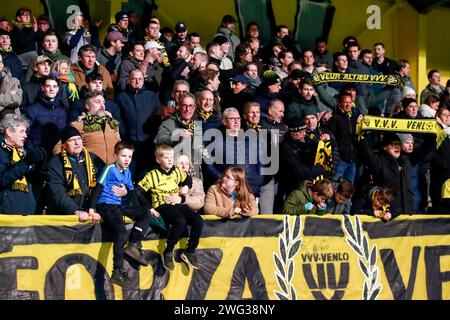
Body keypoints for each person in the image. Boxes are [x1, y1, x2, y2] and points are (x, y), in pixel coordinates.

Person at [89, 141, 161, 288]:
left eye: (129, 156)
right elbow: (98, 188)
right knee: (121, 231)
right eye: (123, 156)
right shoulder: (109, 168)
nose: (127, 159)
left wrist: (147, 207)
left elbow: (133, 193)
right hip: (106, 205)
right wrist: (91, 208)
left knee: (145, 214)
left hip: (119, 205)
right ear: (116, 156)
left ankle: (133, 244)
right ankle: (117, 270)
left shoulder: (127, 172)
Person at [137, 145, 203, 270]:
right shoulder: (152, 175)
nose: (170, 160)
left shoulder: (177, 171)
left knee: (198, 220)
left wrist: (186, 187)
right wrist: (148, 207)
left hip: (176, 204)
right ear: (158, 160)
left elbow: (188, 179)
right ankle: (168, 251)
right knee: (180, 220)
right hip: (162, 205)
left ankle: (190, 250)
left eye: (171, 157)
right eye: (166, 157)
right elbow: (138, 191)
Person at [46, 126, 107, 220]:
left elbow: (106, 181)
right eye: (71, 140)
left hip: (92, 213)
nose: (77, 143)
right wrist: (75, 210)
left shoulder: (94, 159)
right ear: (64, 145)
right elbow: (57, 192)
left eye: (79, 138)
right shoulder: (55, 163)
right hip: (67, 216)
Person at [0, 114, 46, 214]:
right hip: (6, 213)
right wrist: (26, 162)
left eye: (25, 132)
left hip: (27, 210)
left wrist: (42, 164)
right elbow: (2, 179)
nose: (25, 135)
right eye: (22, 131)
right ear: (9, 132)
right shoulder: (2, 152)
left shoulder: (24, 151)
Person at [69, 91, 121, 165]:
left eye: (103, 103)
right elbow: (59, 148)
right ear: (87, 106)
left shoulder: (112, 124)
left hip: (112, 170)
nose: (102, 105)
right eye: (97, 102)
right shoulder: (79, 125)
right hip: (91, 171)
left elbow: (119, 146)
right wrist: (76, 165)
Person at [10, 7, 38, 72]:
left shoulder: (30, 28)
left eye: (29, 15)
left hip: (33, 61)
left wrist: (37, 30)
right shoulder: (16, 29)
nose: (28, 17)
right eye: (25, 15)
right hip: (24, 63)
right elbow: (23, 41)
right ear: (18, 18)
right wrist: (34, 31)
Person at [0, 53, 22, 119]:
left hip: (11, 122)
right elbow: (11, 100)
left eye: (0, 62)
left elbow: (16, 100)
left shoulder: (14, 81)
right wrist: (8, 96)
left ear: (2, 64)